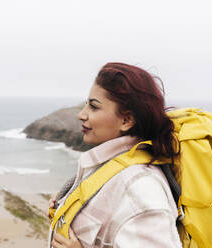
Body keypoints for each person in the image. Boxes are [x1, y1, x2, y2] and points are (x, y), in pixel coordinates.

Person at [49, 62, 182, 248]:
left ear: (127, 120)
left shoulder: (141, 189)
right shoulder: (108, 169)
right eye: (86, 104)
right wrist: (67, 206)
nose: (81, 114)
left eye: (94, 107)